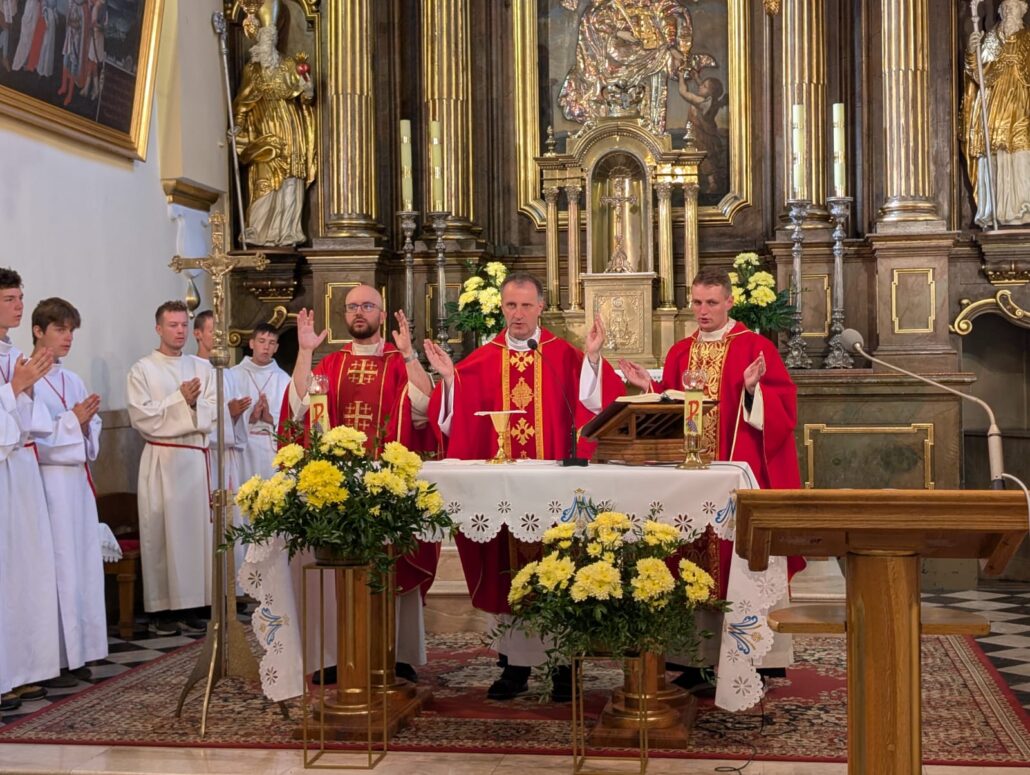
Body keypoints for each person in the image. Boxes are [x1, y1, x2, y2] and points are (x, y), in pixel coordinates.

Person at [423, 272, 625, 700]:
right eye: (511, 305)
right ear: (502, 308)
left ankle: (564, 667)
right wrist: (449, 382)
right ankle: (514, 667)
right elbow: (453, 423)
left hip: (556, 490)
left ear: (540, 308)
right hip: (506, 492)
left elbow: (597, 404)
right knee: (509, 571)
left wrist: (593, 358)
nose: (518, 314)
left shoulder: (563, 356)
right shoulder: (481, 360)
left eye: (526, 306)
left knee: (563, 568)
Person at [619, 267, 802, 686]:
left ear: (729, 302)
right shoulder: (680, 352)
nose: (703, 311)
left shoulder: (755, 347)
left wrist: (752, 390)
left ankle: (755, 657)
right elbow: (672, 409)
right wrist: (649, 388)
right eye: (697, 302)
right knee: (687, 557)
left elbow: (783, 411)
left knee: (740, 562)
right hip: (688, 480)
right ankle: (694, 660)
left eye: (712, 303)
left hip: (736, 478)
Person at [284, 284, 439, 683]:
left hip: (390, 483)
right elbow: (298, 408)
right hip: (338, 486)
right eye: (352, 306)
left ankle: (395, 652)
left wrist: (410, 355)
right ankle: (338, 655)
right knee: (338, 568)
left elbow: (426, 409)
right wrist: (304, 352)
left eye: (367, 306)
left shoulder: (397, 360)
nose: (359, 312)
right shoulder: (330, 364)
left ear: (382, 315)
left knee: (395, 565)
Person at [127, 300, 217, 635]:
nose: (180, 331)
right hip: (163, 461)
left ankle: (195, 604)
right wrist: (181, 400)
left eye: (183, 325)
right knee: (164, 535)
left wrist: (191, 404)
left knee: (196, 537)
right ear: (158, 328)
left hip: (194, 461)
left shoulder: (201, 367)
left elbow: (214, 410)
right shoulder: (142, 370)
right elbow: (143, 417)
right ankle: (163, 610)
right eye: (172, 325)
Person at [31, 298, 107, 686]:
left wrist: (86, 425)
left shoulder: (73, 379)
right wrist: (72, 421)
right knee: (58, 568)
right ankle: (56, 656)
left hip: (77, 483)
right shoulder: (25, 377)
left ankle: (81, 651)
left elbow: (91, 430)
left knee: (82, 566)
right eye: (60, 329)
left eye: (71, 330)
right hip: (49, 484)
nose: (68, 338)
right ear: (38, 331)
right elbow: (34, 439)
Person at [0, 267, 60, 712]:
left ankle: (18, 670)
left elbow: (34, 422)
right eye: (9, 299)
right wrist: (14, 389)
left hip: (19, 468)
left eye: (20, 298)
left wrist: (23, 391)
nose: (20, 306)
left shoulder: (16, 353)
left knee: (22, 571)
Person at [231, 0, 316, 246]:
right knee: (264, 180)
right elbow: (243, 101)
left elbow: (305, 97)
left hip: (290, 129)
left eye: (272, 37)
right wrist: (238, 125)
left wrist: (307, 89)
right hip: (263, 132)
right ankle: (260, 230)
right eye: (265, 38)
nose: (269, 42)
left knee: (291, 178)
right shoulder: (252, 70)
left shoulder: (289, 65)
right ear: (258, 40)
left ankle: (288, 231)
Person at [193, 310, 250, 595]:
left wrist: (238, 417)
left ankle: (233, 590)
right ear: (197, 334)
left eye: (221, 332)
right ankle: (213, 591)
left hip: (229, 457)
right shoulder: (191, 369)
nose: (219, 337)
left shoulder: (228, 373)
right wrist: (228, 414)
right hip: (208, 458)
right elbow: (196, 417)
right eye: (212, 331)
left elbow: (235, 420)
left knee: (234, 521)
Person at [963, 0, 1030, 227]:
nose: (1009, 11)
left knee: (1021, 152)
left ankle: (1022, 207)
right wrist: (972, 51)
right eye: (1006, 7)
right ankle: (995, 209)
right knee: (994, 152)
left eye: (1014, 7)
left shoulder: (1028, 40)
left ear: (1023, 11)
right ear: (1000, 12)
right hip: (994, 108)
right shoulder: (991, 40)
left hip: (1021, 108)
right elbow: (977, 73)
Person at [229, 323, 291, 481]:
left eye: (271, 343)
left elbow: (293, 419)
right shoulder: (233, 375)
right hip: (243, 448)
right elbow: (222, 415)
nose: (266, 347)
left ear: (276, 348)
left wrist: (270, 418)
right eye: (261, 341)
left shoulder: (284, 379)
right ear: (252, 343)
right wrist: (250, 417)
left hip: (271, 448)